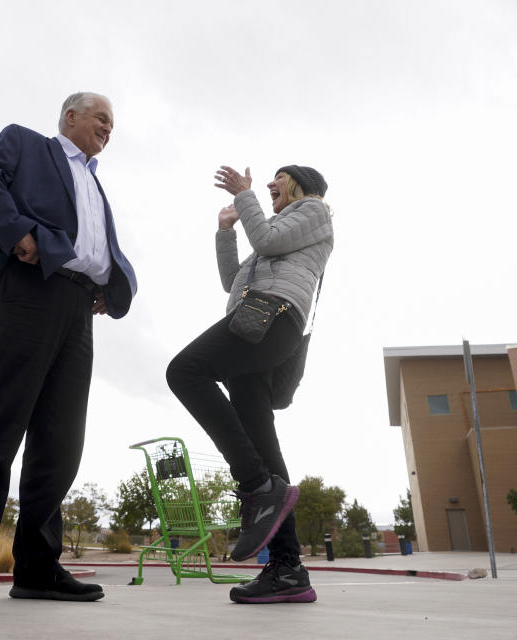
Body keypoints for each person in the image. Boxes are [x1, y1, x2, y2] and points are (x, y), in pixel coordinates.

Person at [0, 92, 137, 607]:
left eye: (113, 123)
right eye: (102, 118)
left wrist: (107, 285)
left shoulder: (94, 179)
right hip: (30, 293)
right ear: (71, 117)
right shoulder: (25, 143)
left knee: (60, 442)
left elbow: (95, 244)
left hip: (79, 310)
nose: (109, 127)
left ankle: (38, 568)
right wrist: (17, 233)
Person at [166, 164, 333, 604]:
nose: (268, 186)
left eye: (278, 179)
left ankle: (256, 487)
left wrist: (244, 197)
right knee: (262, 441)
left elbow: (267, 240)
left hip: (274, 315)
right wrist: (225, 231)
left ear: (299, 185)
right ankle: (288, 567)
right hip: (253, 316)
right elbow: (231, 280)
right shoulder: (276, 225)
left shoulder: (314, 210)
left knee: (184, 371)